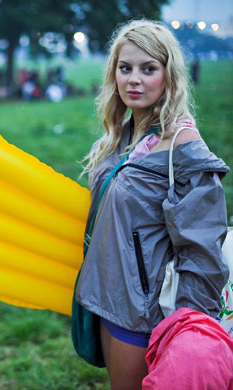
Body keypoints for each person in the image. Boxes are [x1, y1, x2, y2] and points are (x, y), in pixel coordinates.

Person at [74, 20, 229, 389]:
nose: (134, 80)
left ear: (168, 75)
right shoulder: (124, 132)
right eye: (125, 68)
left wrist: (187, 336)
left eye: (148, 69)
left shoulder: (183, 148)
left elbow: (203, 251)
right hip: (106, 299)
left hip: (145, 315)